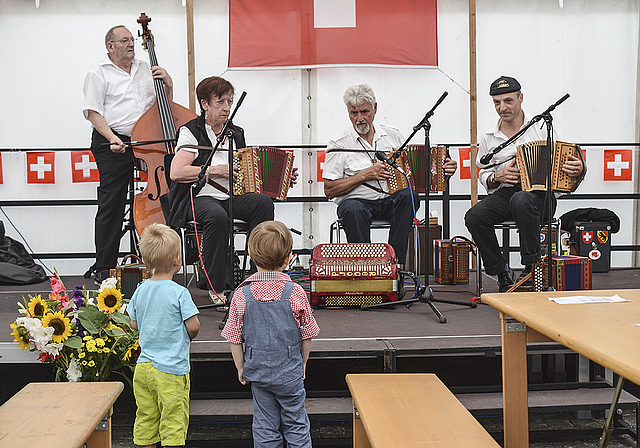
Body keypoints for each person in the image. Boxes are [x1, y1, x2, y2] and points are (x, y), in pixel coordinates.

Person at [168, 76, 297, 307]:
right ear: (204, 104)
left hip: (231, 197)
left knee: (263, 203)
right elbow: (177, 172)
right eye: (220, 102)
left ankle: (258, 275)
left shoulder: (235, 133)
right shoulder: (190, 131)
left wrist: (282, 178)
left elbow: (247, 170)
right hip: (198, 198)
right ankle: (216, 286)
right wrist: (215, 170)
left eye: (229, 101)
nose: (227, 108)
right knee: (217, 216)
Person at [464, 76, 585, 292]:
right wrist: (496, 177)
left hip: (541, 196)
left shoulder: (540, 126)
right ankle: (502, 272)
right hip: (506, 193)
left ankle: (532, 267)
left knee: (522, 199)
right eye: (497, 102)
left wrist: (579, 169)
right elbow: (483, 173)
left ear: (521, 98)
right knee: (474, 216)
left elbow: (560, 161)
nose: (502, 107)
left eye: (508, 101)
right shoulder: (488, 137)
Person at [322, 84, 457, 267]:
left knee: (409, 196)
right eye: (354, 113)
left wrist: (444, 170)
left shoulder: (392, 135)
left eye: (365, 111)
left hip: (389, 200)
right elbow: (329, 190)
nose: (360, 118)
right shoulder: (338, 143)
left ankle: (395, 265)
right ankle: (366, 268)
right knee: (353, 209)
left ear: (375, 108)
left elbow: (412, 168)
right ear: (348, 113)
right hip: (357, 203)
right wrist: (364, 175)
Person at [83, 25, 174, 285]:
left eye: (132, 39)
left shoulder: (147, 68)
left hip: (146, 138)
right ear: (110, 46)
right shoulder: (98, 72)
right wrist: (112, 137)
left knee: (168, 192)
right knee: (112, 202)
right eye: (124, 40)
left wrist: (168, 84)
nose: (131, 44)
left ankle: (165, 259)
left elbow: (163, 108)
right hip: (113, 139)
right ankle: (105, 268)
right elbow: (93, 112)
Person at [221, 221, 320, 448]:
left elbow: (234, 337)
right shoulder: (296, 292)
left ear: (251, 256)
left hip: (258, 372)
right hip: (290, 372)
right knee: (296, 423)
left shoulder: (241, 294)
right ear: (288, 258)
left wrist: (240, 366)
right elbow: (308, 333)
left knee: (265, 425)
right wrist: (302, 363)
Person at [128, 223, 200, 448]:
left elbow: (133, 323)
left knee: (147, 417)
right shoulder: (180, 293)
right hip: (170, 370)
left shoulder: (140, 289)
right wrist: (187, 334)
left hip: (144, 368)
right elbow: (194, 326)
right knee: (172, 421)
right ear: (177, 260)